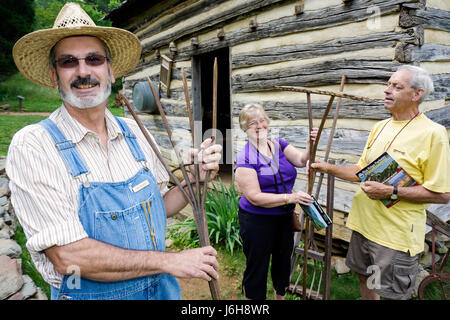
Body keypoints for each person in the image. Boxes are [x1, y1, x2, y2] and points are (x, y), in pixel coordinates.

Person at [7, 3, 222, 300]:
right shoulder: (34, 145)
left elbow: (158, 208)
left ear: (109, 70)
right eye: (68, 62)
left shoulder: (135, 131)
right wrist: (171, 261)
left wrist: (197, 177)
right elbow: (70, 257)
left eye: (93, 59)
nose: (83, 71)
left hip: (159, 292)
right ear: (55, 76)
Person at [311, 65, 450, 300]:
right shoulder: (380, 126)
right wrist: (328, 167)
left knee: (391, 293)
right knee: (365, 277)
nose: (387, 90)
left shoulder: (433, 133)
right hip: (364, 226)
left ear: (417, 94)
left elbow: (442, 194)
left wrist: (391, 190)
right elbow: (362, 172)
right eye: (388, 84)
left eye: (397, 87)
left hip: (395, 235)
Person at [234, 103, 317, 300]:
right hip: (257, 221)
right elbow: (254, 197)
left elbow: (301, 160)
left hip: (284, 218)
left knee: (282, 264)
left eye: (262, 120)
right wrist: (292, 197)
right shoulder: (244, 158)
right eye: (253, 123)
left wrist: (309, 146)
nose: (259, 125)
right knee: (257, 269)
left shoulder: (278, 144)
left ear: (268, 123)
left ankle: (279, 297)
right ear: (245, 128)